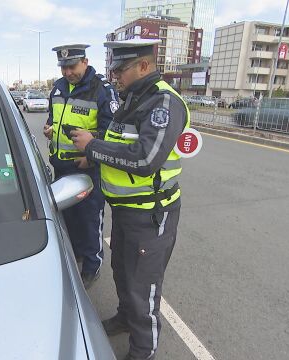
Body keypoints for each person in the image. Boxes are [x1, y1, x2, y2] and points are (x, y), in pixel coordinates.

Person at [71, 39, 190, 360]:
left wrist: (92, 147)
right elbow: (121, 144)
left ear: (143, 66)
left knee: (144, 289)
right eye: (112, 68)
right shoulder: (135, 97)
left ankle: (143, 351)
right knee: (123, 273)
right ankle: (125, 319)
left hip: (151, 214)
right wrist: (93, 158)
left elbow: (145, 158)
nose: (114, 75)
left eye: (120, 69)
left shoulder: (163, 103)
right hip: (126, 211)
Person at [43, 44, 119, 288]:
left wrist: (93, 157)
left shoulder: (101, 90)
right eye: (63, 67)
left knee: (89, 218)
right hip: (62, 167)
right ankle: (75, 254)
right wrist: (49, 129)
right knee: (69, 218)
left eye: (71, 66)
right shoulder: (58, 88)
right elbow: (53, 119)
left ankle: (91, 265)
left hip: (88, 167)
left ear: (85, 62)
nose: (67, 72)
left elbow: (113, 132)